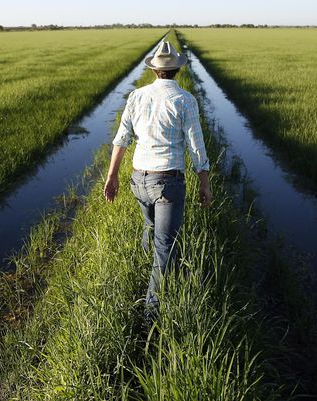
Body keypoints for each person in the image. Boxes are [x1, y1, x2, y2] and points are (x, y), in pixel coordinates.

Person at [103, 41, 212, 324]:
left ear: (154, 70)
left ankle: (148, 268)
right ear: (176, 69)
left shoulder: (136, 96)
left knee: (151, 228)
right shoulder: (186, 100)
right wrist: (205, 183)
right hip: (168, 184)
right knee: (165, 247)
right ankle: (151, 317)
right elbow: (196, 147)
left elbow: (121, 139)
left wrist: (112, 176)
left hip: (138, 180)